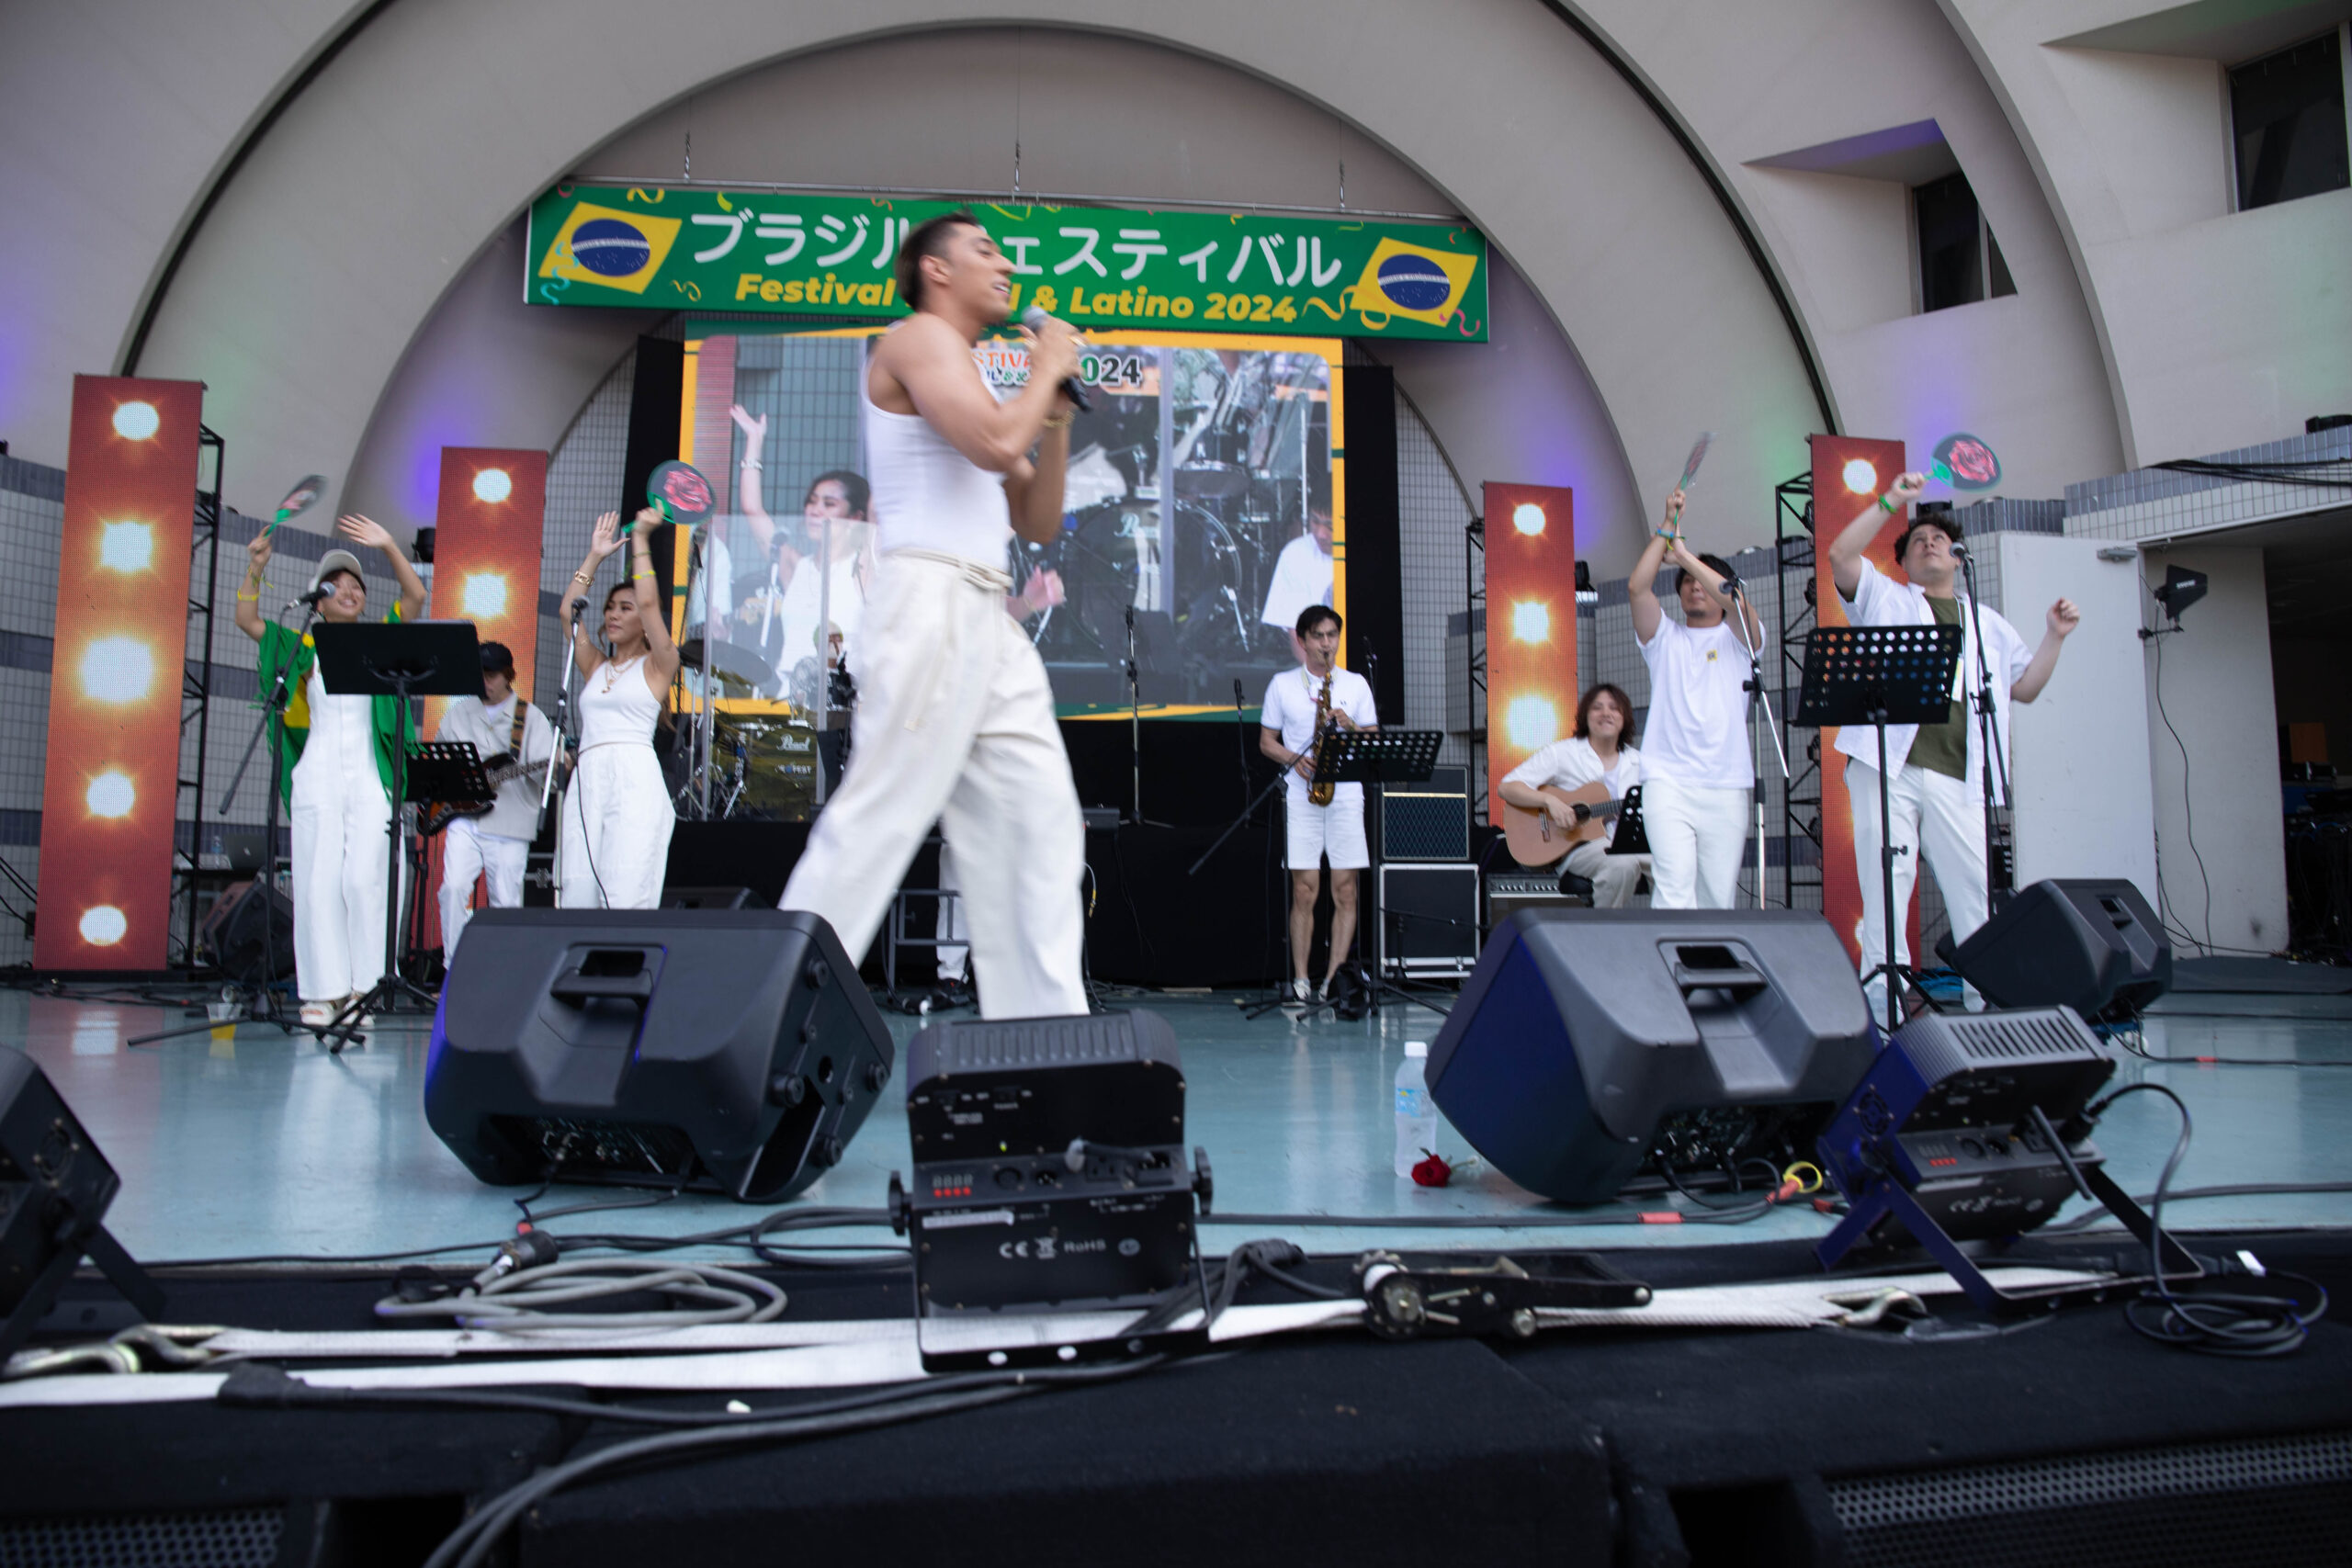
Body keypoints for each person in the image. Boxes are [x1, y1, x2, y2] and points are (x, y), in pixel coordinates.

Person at [778, 209, 1090, 1020]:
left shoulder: (973, 375)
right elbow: (994, 443)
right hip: (929, 597)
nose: (1006, 264)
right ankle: (768, 1021)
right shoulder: (916, 337)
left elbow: (1037, 520)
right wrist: (1044, 363)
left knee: (1039, 825)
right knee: (879, 819)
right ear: (936, 270)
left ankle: (1047, 1036)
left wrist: (1055, 413)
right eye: (985, 250)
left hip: (988, 611)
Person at [1827, 479, 2079, 1015]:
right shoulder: (1886, 598)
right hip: (1886, 766)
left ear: (1959, 558)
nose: (1928, 544)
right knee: (1887, 884)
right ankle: (1884, 1009)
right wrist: (1892, 501)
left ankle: (1987, 1003)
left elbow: (2024, 688)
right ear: (1903, 562)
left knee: (1973, 890)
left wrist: (2055, 637)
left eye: (1939, 539)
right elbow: (1841, 555)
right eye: (1917, 541)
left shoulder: (1988, 622)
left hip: (1961, 774)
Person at [233, 514, 426, 1024]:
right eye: (335, 584)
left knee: (364, 879)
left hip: (369, 774)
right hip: (318, 772)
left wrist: (388, 544)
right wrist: (255, 568)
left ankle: (365, 988)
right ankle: (324, 993)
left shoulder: (380, 640)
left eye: (356, 585)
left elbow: (414, 596)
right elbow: (247, 619)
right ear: (317, 601)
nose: (349, 590)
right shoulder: (301, 645)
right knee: (318, 884)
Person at [1628, 487, 1765, 909]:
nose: (1694, 586)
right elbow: (1637, 588)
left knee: (1717, 900)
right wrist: (1667, 527)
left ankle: (1710, 960)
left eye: (1701, 579)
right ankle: (1670, 958)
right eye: (1686, 582)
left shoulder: (1740, 639)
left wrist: (1686, 557)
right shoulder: (1664, 638)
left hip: (1726, 785)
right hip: (1667, 782)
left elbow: (1736, 602)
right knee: (1673, 888)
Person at [557, 510, 682, 908]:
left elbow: (648, 600)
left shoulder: (659, 663)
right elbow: (567, 613)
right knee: (577, 888)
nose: (613, 614)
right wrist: (595, 556)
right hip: (588, 777)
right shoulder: (596, 665)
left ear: (644, 622)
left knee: (624, 890)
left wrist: (640, 538)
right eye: (610, 607)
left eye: (624, 608)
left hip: (633, 776)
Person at [1260, 604, 1379, 1005]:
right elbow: (1266, 742)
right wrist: (1295, 759)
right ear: (1302, 640)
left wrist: (1351, 726)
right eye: (1319, 636)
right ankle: (1300, 979)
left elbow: (1373, 740)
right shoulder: (1282, 684)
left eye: (1332, 635)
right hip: (1302, 795)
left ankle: (1333, 981)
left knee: (1345, 891)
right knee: (1304, 890)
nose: (1327, 644)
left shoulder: (1356, 685)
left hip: (1345, 795)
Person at [433, 640, 555, 965]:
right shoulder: (458, 713)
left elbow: (548, 775)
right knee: (453, 889)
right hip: (464, 818)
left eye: (492, 674)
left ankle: (505, 971)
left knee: (505, 900)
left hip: (510, 821)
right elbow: (439, 762)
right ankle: (454, 968)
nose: (485, 681)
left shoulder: (530, 717)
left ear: (509, 675)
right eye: (480, 674)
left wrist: (555, 764)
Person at [731, 446, 877, 684]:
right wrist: (754, 439)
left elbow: (877, 512)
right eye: (811, 502)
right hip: (788, 696)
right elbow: (752, 509)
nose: (815, 511)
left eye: (829, 504)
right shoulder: (797, 567)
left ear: (855, 518)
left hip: (841, 696)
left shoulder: (862, 566)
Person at [1497, 683, 1650, 908]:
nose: (1606, 713)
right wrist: (1550, 801)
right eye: (1597, 707)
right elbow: (1507, 787)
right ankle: (1605, 929)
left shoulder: (1641, 761)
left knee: (1681, 865)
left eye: (1614, 708)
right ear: (1585, 716)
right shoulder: (1562, 753)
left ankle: (1679, 927)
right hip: (1580, 847)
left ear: (1625, 716)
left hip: (1633, 845)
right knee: (1622, 864)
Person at [1260, 482, 1335, 642]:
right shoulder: (1295, 554)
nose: (1320, 534)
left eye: (1331, 526)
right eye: (1315, 521)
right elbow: (1297, 632)